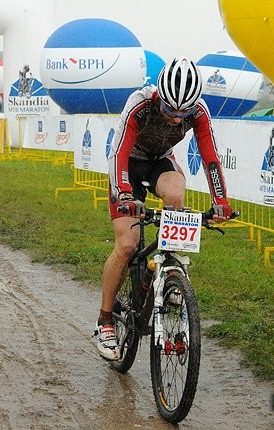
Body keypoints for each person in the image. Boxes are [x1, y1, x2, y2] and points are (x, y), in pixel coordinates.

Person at [93, 57, 234, 360]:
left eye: (182, 112)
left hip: (160, 161)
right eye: (170, 110)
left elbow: (209, 156)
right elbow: (118, 153)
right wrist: (124, 195)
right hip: (127, 164)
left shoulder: (198, 112)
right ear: (160, 96)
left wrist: (220, 202)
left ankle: (168, 267)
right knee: (127, 245)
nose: (175, 118)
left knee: (175, 196)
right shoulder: (140, 104)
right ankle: (105, 321)